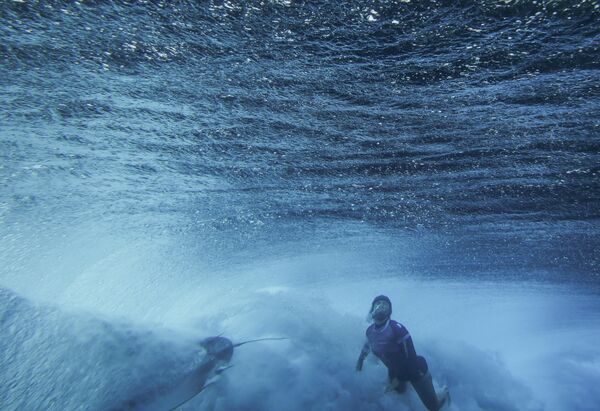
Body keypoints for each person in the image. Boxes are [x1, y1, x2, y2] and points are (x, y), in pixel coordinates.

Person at [356, 295, 449, 411]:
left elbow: (411, 359)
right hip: (395, 371)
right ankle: (411, 387)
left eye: (385, 304)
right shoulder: (370, 331)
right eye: (378, 303)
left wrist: (399, 378)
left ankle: (444, 392)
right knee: (400, 392)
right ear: (372, 310)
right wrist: (360, 361)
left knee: (434, 408)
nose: (381, 306)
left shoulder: (397, 329)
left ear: (390, 311)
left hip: (415, 370)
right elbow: (367, 346)